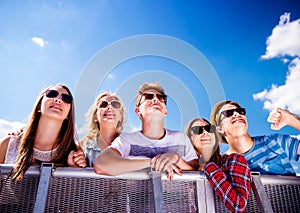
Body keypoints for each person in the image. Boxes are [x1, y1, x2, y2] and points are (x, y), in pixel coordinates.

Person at [94, 82, 198, 180]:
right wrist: (152, 162)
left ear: (165, 111)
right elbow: (101, 165)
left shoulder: (181, 138)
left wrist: (177, 159)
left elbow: (197, 170)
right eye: (148, 97)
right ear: (138, 111)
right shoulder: (126, 140)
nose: (155, 99)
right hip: (138, 198)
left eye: (161, 98)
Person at [0, 84, 86, 181]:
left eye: (66, 98)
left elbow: (74, 194)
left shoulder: (74, 151)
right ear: (39, 107)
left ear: (68, 114)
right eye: (52, 94)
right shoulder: (8, 144)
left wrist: (73, 170)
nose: (58, 99)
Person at [210, 100, 300, 175]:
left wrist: (292, 119)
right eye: (228, 113)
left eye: (240, 111)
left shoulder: (274, 142)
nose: (237, 114)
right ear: (219, 128)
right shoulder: (221, 165)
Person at [186, 118, 251, 213]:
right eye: (197, 130)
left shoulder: (233, 160)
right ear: (189, 139)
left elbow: (239, 205)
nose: (204, 132)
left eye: (209, 128)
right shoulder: (185, 169)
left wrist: (208, 166)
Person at [80, 92, 125, 167]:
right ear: (95, 117)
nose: (109, 107)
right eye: (103, 104)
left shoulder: (131, 145)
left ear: (120, 117)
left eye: (115, 105)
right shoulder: (83, 147)